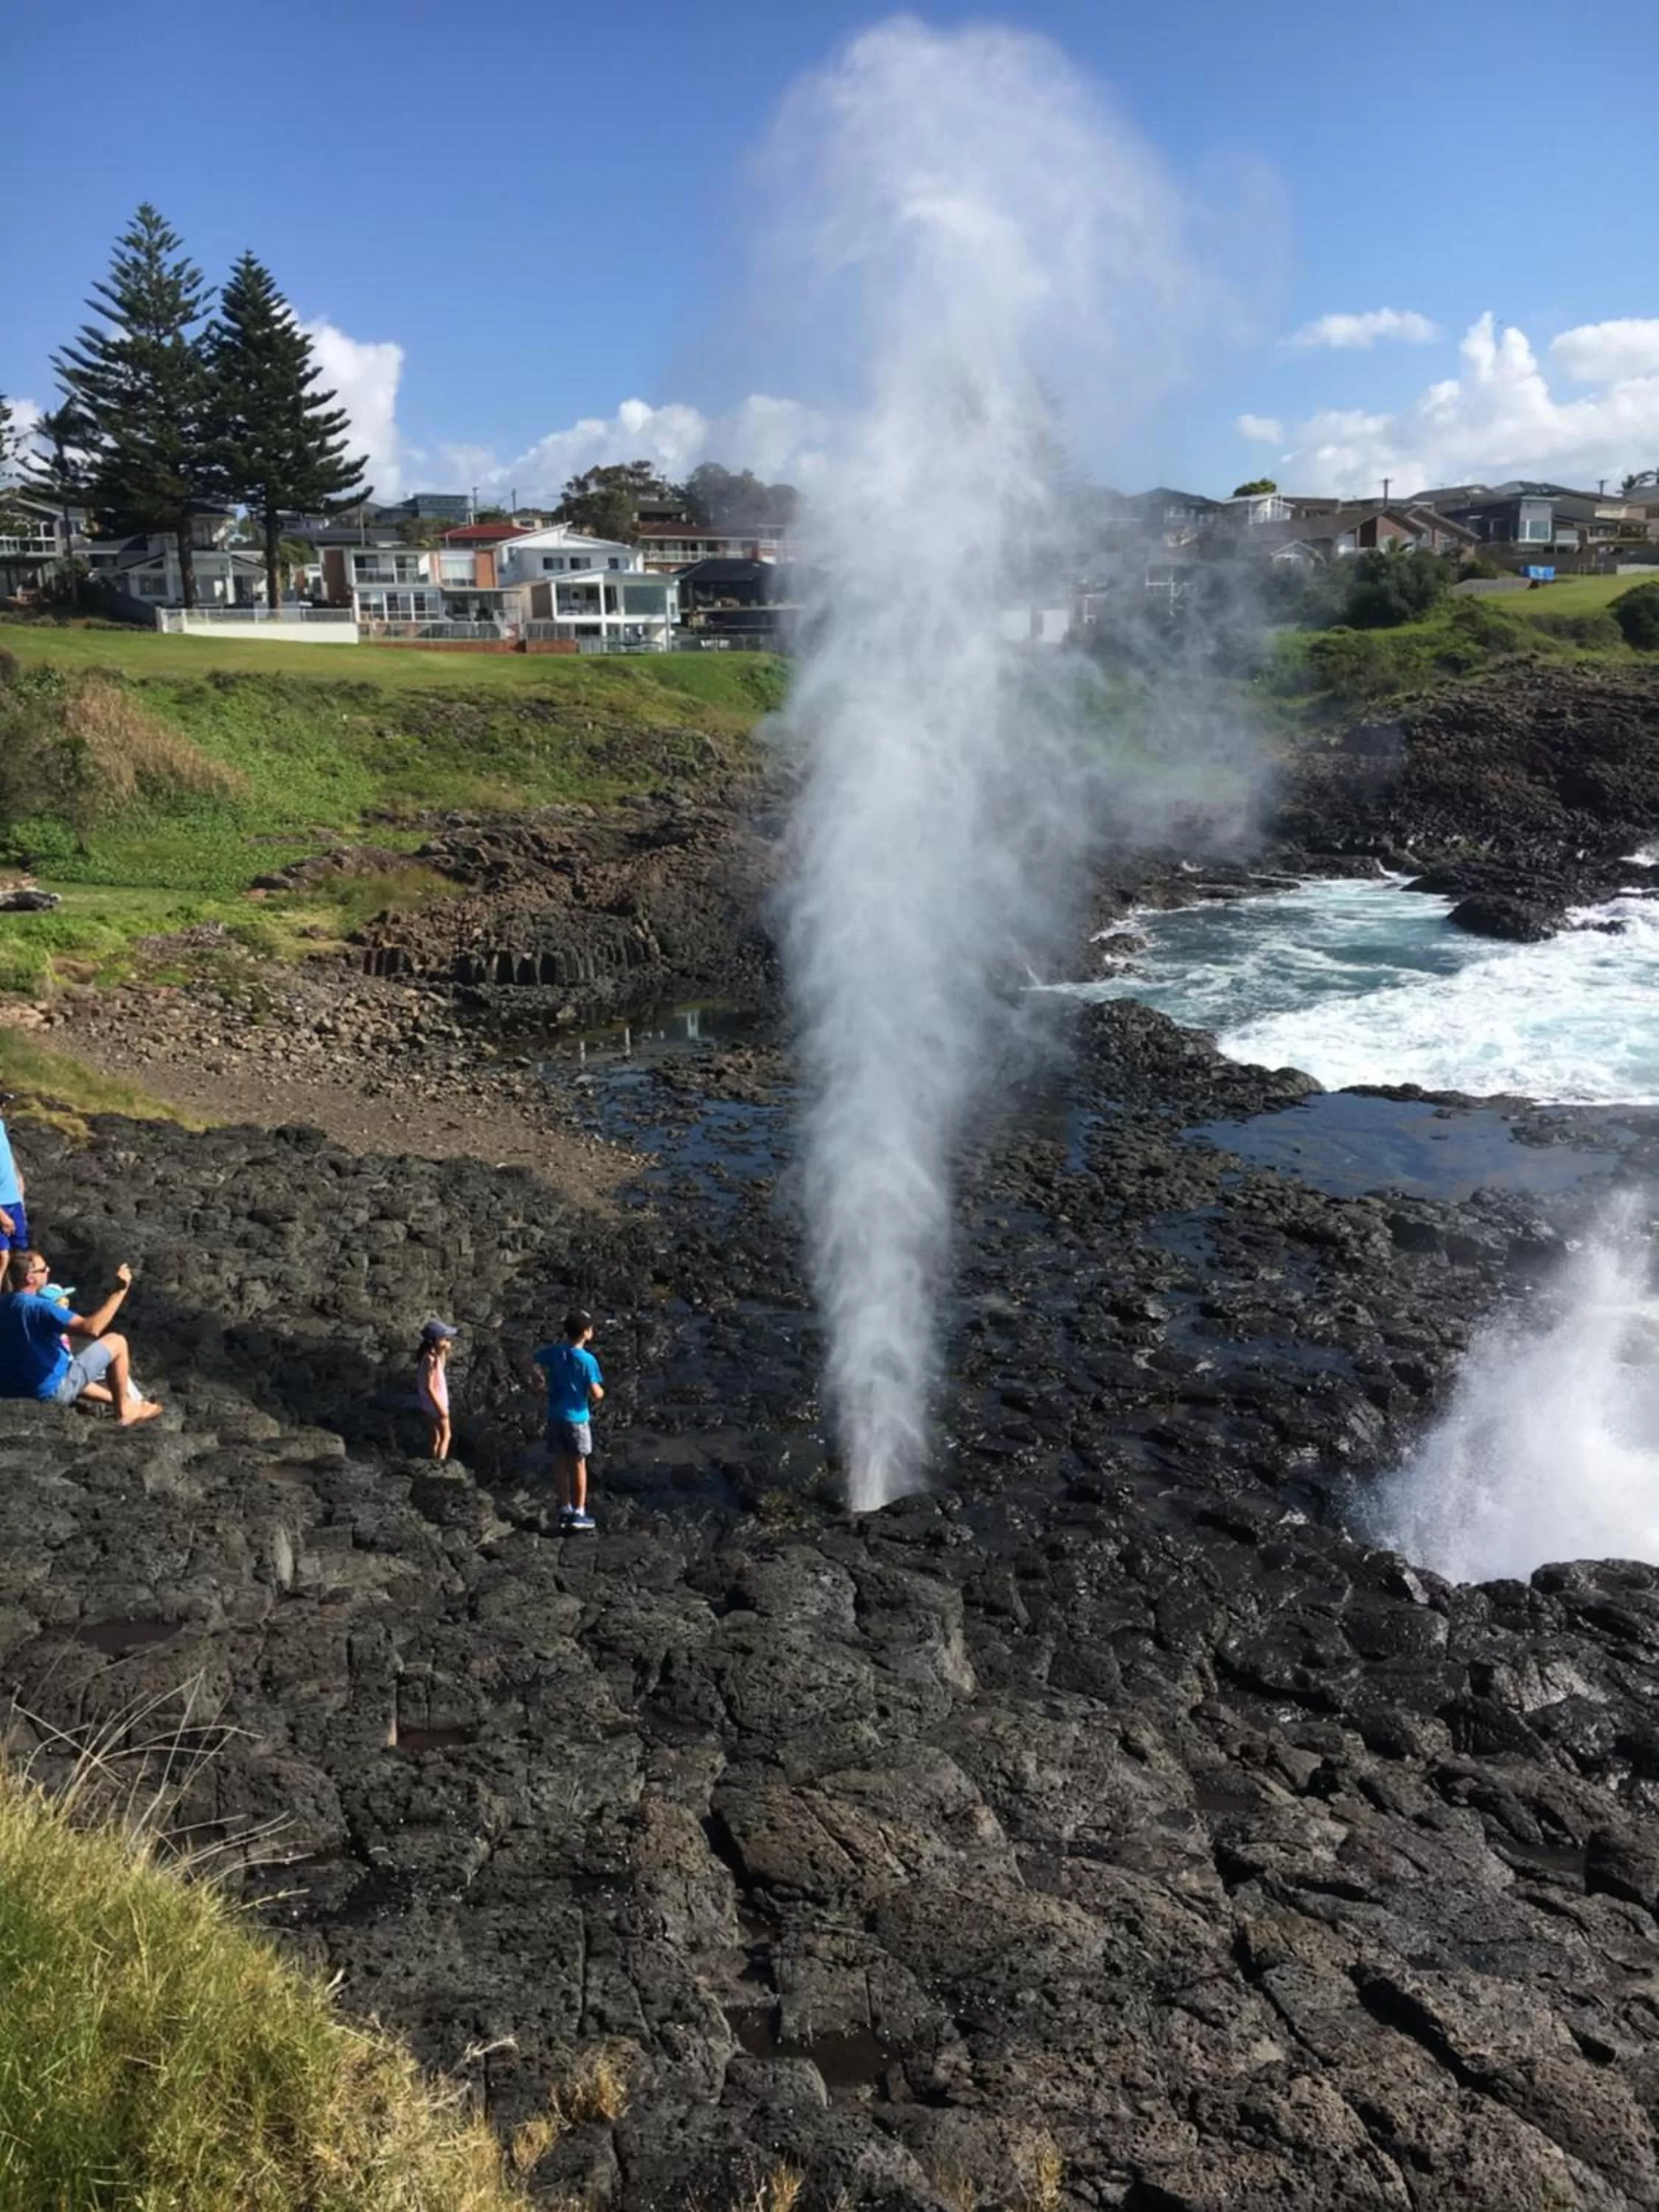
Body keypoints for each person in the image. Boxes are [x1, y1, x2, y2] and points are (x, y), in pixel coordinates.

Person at [0, 1251, 161, 1423]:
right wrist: (119, 1292)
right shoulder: (40, 1307)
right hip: (48, 1391)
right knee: (117, 1341)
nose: (49, 1270)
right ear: (30, 1278)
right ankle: (125, 1411)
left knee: (70, 1366)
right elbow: (92, 1328)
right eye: (44, 1269)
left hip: (10, 1390)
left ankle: (128, 1402)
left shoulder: (4, 1303)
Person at [532, 1308, 603, 1531]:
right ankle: (579, 1512)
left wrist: (538, 1380)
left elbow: (531, 1360)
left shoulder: (555, 1352)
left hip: (555, 1416)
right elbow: (595, 1392)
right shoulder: (587, 1360)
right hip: (577, 1419)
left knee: (560, 1464)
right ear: (587, 1332)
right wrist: (601, 1393)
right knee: (579, 1464)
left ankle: (564, 1508)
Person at [415, 1318, 456, 1460]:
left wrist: (443, 1351)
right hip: (436, 1404)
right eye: (445, 1339)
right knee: (447, 1436)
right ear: (435, 1340)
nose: (449, 1342)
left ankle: (433, 1460)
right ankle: (440, 1463)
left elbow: (441, 1367)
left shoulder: (430, 1357)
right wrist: (441, 1409)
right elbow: (429, 1386)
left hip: (428, 1404)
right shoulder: (430, 1361)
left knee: (436, 1438)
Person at [0, 1106, 27, 1256]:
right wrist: (2, 1217)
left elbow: (6, 1157)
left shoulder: (1, 1126)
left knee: (20, 1254)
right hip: (2, 1205)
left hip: (14, 1201)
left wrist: (19, 1182)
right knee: (3, 1255)